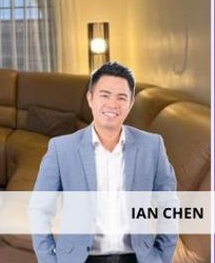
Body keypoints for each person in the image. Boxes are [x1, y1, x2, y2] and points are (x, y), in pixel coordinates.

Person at [31, 61, 177, 263]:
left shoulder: (152, 146)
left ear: (131, 103)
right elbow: (39, 209)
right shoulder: (61, 149)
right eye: (105, 95)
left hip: (138, 258)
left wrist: (161, 257)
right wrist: (49, 260)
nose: (112, 104)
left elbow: (169, 205)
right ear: (90, 98)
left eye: (121, 97)